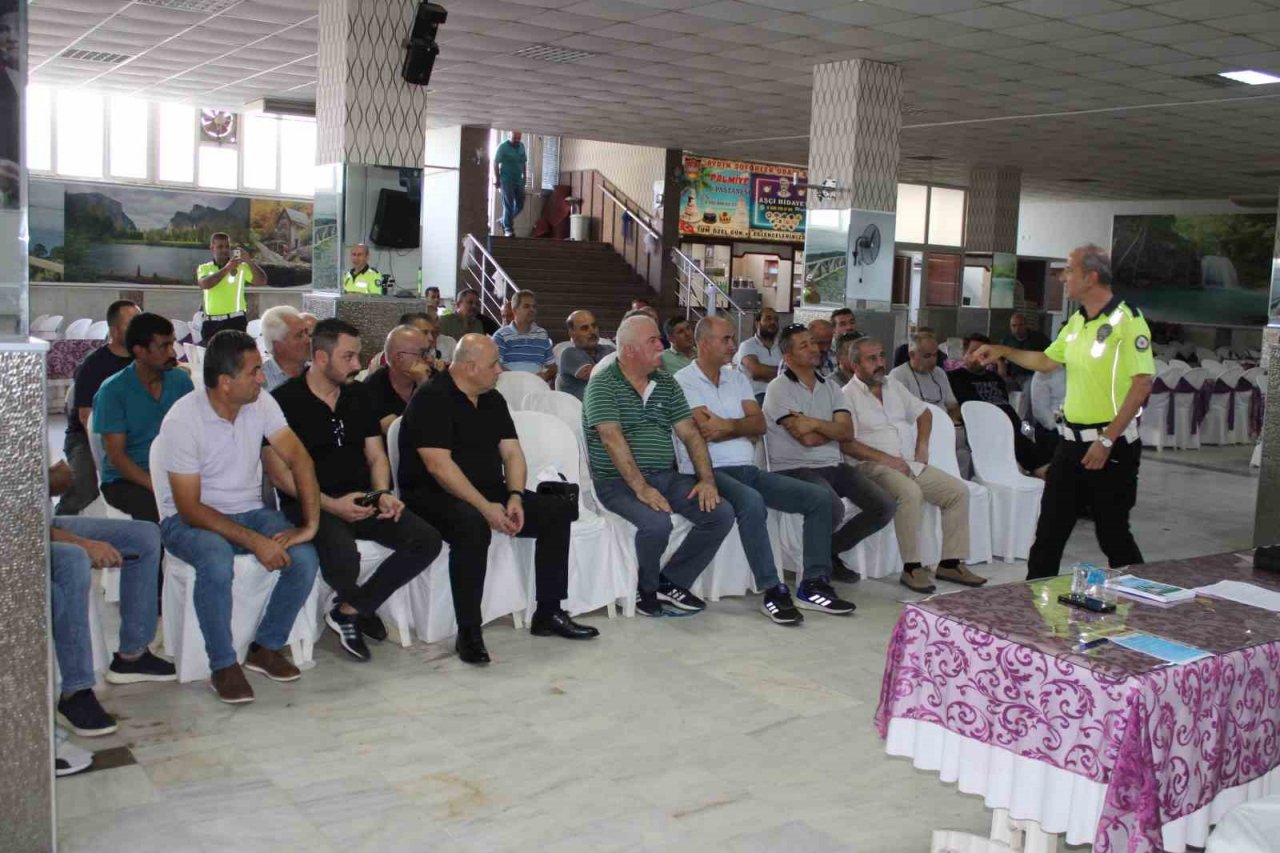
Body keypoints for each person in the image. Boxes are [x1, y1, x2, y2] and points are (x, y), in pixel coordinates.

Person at [398, 334, 598, 664]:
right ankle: (469, 631)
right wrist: (485, 507)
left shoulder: (491, 398)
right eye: (493, 365)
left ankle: (548, 612)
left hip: (488, 490)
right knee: (472, 526)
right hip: (431, 495)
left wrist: (516, 496)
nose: (499, 370)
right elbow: (438, 466)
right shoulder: (432, 398)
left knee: (555, 511)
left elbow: (513, 454)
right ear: (469, 366)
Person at [154, 330, 321, 704]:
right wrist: (254, 541)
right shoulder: (183, 420)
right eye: (254, 372)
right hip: (186, 521)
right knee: (216, 559)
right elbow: (189, 508)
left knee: (305, 556)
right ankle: (223, 664)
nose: (262, 379)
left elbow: (300, 459)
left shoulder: (261, 404)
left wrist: (309, 526)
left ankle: (265, 647)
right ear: (226, 383)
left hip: (249, 511)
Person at [974, 245, 1154, 580]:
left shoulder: (1128, 321)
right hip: (1069, 445)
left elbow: (1141, 384)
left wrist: (1106, 440)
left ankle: (1145, 603)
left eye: (1069, 270)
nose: (1062, 277)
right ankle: (1032, 609)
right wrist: (1004, 351)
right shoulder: (1076, 320)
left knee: (1112, 534)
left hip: (1110, 446)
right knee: (1048, 534)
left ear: (1091, 276)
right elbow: (1046, 361)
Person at [267, 320, 442, 662]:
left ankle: (351, 609)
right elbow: (280, 476)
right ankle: (361, 610)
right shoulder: (283, 401)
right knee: (342, 554)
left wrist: (378, 495)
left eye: (357, 356)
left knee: (426, 539)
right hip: (311, 502)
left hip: (362, 498)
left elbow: (376, 455)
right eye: (348, 357)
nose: (358, 365)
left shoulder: (358, 395)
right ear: (320, 358)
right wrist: (332, 505)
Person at [674, 317, 853, 621]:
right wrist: (740, 427)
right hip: (706, 471)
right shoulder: (683, 381)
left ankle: (813, 583)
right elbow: (704, 430)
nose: (733, 345)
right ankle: (772, 588)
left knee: (819, 499)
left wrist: (728, 426)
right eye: (726, 339)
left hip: (746, 469)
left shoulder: (737, 379)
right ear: (705, 344)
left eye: (733, 338)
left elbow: (758, 424)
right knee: (752, 501)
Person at [585, 315, 734, 616]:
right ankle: (646, 590)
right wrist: (640, 488)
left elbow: (690, 433)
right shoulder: (602, 385)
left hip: (665, 476)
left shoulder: (666, 383)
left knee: (720, 513)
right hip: (617, 482)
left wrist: (707, 480)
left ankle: (673, 581)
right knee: (656, 522)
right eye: (652, 341)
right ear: (629, 350)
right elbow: (611, 438)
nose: (660, 345)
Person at [840, 338, 987, 593]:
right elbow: (847, 444)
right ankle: (911, 568)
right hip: (870, 466)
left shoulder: (893, 386)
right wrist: (888, 460)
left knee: (957, 491)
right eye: (871, 359)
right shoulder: (846, 396)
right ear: (855, 365)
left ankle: (950, 563)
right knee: (910, 493)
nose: (880, 363)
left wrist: (922, 446)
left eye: (881, 356)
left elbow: (924, 413)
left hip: (908, 463)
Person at [48, 463, 174, 738]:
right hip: (20, 539)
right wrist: (82, 543)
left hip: (44, 525)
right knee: (73, 558)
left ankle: (133, 654)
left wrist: (52, 477)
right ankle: (76, 691)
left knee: (145, 535)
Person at [763, 324, 896, 574]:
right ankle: (818, 571)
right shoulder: (778, 388)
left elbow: (846, 433)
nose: (814, 348)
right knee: (832, 505)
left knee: (884, 505)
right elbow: (807, 440)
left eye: (813, 342)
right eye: (805, 345)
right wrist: (831, 430)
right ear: (788, 357)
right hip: (793, 468)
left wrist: (812, 423)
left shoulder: (831, 387)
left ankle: (828, 551)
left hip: (833, 465)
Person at [93, 313, 194, 523]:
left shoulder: (181, 381)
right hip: (128, 479)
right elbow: (117, 458)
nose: (172, 352)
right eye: (163, 346)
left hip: (176, 472)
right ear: (140, 351)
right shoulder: (113, 391)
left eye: (172, 344)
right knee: (158, 510)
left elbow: (194, 435)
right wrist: (157, 484)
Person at [57, 300, 138, 515]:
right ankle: (59, 527)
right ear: (114, 330)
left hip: (133, 432)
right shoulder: (94, 365)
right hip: (87, 435)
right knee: (83, 483)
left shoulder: (144, 361)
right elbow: (86, 419)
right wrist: (108, 454)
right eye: (131, 324)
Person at [949, 333, 1047, 474]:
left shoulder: (996, 378)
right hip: (989, 431)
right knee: (1036, 458)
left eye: (983, 353)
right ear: (964, 353)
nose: (978, 357)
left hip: (1015, 427)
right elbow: (955, 410)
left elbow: (1006, 404)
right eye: (973, 352)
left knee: (1034, 436)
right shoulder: (955, 378)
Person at [365, 324, 438, 435]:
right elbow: (400, 433)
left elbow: (443, 422)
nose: (429, 359)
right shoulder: (373, 387)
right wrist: (422, 385)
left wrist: (424, 383)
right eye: (423, 353)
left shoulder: (434, 377)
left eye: (429, 352)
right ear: (399, 358)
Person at [196, 232, 267, 342]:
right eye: (220, 247)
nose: (224, 250)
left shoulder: (241, 267)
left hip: (235, 321)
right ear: (212, 248)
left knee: (236, 358)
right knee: (212, 358)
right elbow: (205, 284)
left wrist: (248, 261)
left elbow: (261, 281)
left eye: (227, 246)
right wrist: (228, 268)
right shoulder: (204, 268)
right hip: (211, 323)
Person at [888, 331, 959, 421]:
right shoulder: (898, 375)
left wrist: (950, 422)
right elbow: (897, 414)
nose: (933, 360)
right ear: (912, 355)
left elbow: (953, 406)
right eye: (927, 355)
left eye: (935, 355)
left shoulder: (940, 373)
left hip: (943, 426)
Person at [493, 290, 556, 381]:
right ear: (515, 310)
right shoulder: (501, 336)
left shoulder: (542, 334)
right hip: (510, 384)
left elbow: (552, 367)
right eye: (527, 306)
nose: (532, 310)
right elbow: (495, 365)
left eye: (534, 307)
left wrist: (544, 375)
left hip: (536, 385)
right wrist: (521, 380)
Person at [557, 310, 614, 401]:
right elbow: (597, 377)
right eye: (585, 328)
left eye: (594, 326)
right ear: (572, 333)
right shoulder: (569, 354)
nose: (592, 331)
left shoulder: (609, 349)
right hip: (580, 411)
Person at [735, 306, 782, 403]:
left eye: (775, 320)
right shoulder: (747, 345)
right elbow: (757, 372)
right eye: (768, 319)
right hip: (755, 396)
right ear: (757, 323)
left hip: (780, 394)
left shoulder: (782, 347)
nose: (773, 322)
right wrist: (784, 371)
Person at [259, 305, 311, 391]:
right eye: (299, 335)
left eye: (306, 332)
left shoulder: (318, 374)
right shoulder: (259, 381)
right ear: (278, 346)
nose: (308, 340)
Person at [999, 312, 1051, 392]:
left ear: (1026, 325)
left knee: (1027, 391)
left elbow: (1050, 354)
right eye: (1014, 326)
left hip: (1032, 375)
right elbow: (999, 355)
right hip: (1012, 375)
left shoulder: (1038, 338)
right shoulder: (1007, 340)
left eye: (1020, 325)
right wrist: (1000, 364)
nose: (1017, 329)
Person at [494, 131, 527, 238]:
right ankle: (508, 229)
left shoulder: (521, 146)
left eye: (518, 138)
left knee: (520, 205)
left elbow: (523, 162)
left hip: (518, 180)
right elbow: (495, 163)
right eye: (514, 138)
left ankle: (503, 220)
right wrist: (497, 179)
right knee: (508, 204)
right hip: (506, 180)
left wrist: (525, 177)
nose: (517, 140)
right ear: (509, 137)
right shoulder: (502, 147)